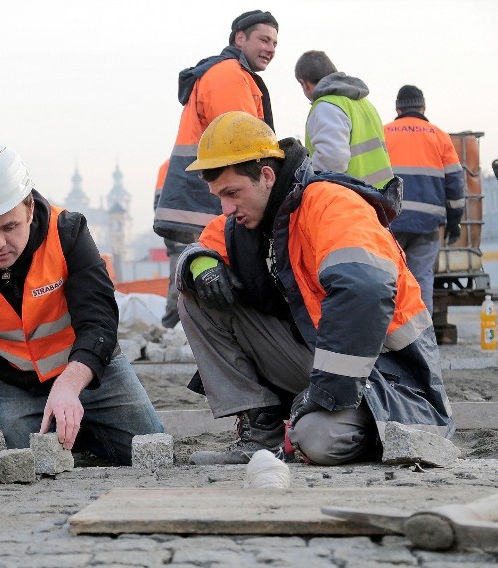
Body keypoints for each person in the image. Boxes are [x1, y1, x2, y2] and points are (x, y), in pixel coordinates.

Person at [175, 111, 454, 466]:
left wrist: (326, 393)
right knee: (198, 297)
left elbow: (365, 292)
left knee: (318, 441)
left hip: (391, 375)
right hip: (325, 357)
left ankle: (392, 428)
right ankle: (263, 433)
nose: (226, 208)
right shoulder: (255, 213)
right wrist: (202, 263)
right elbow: (207, 242)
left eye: (232, 193)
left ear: (265, 176)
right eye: (218, 196)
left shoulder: (331, 204)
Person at [0, 143, 164, 466]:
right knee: (17, 464)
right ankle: (73, 438)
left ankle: (82, 431)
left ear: (29, 210)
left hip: (92, 373)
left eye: (10, 227)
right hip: (18, 384)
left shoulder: (68, 233)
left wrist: (70, 384)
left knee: (152, 450)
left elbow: (99, 322)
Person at [154, 9, 278, 245]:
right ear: (240, 38)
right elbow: (243, 146)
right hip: (215, 202)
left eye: (274, 43)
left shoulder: (228, 73)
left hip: (206, 200)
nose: (271, 49)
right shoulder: (228, 75)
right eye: (264, 39)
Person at [384, 85, 466, 314]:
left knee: (389, 279)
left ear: (397, 108)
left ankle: (388, 340)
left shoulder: (383, 133)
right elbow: (455, 184)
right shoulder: (439, 136)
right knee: (421, 281)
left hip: (390, 220)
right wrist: (454, 222)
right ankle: (421, 341)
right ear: (423, 107)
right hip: (427, 223)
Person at [294, 50, 393, 188]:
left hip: (351, 199)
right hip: (381, 197)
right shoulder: (364, 104)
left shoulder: (326, 106)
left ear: (304, 84)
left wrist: (302, 174)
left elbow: (331, 163)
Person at [153, 159, 184, 328]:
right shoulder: (170, 167)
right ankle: (168, 327)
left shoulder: (170, 165)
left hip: (197, 235)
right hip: (180, 238)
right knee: (178, 283)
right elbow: (161, 207)